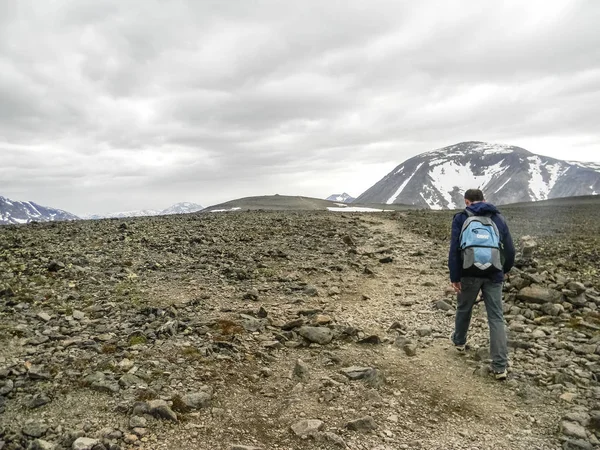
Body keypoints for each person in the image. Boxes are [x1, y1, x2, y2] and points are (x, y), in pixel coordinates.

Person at [448, 189, 515, 380]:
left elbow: (454, 249)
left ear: (467, 201)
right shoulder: (497, 217)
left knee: (464, 307)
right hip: (494, 273)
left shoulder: (461, 218)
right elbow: (509, 248)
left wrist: (455, 276)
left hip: (469, 272)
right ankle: (500, 366)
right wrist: (505, 268)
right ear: (484, 200)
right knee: (496, 317)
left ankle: (460, 342)